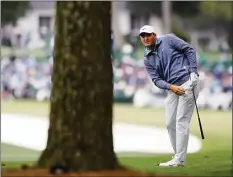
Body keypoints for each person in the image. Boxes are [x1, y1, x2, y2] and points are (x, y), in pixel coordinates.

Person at [139, 25, 200, 167]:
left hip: (188, 82)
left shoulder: (169, 39)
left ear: (154, 34)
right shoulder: (147, 58)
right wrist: (171, 87)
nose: (146, 38)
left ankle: (179, 160)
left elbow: (189, 50)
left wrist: (193, 72)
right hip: (172, 87)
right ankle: (177, 157)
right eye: (143, 36)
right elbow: (156, 80)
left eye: (148, 35)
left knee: (181, 121)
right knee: (170, 123)